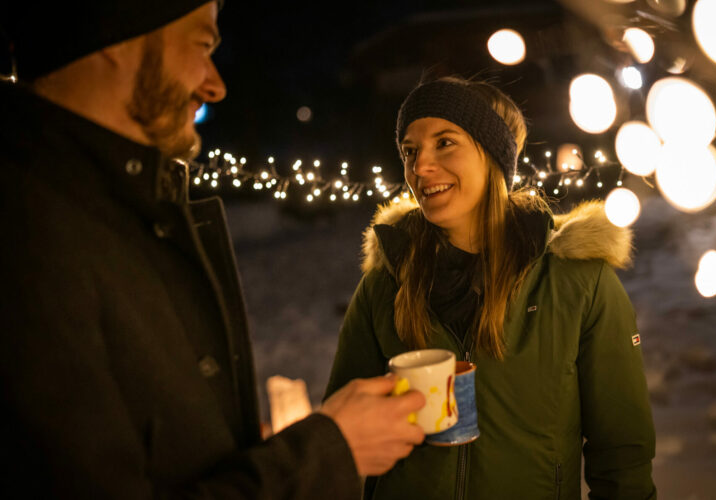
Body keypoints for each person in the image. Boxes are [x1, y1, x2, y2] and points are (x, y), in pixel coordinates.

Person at [0, 1, 425, 498]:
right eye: (202, 46)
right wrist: (331, 451)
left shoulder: (118, 208)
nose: (214, 85)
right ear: (113, 34)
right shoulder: (28, 231)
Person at [325, 77, 657, 499]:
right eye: (410, 151)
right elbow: (338, 443)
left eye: (445, 143)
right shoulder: (385, 285)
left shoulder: (578, 282)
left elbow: (623, 456)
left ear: (495, 156)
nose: (419, 167)